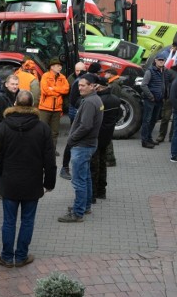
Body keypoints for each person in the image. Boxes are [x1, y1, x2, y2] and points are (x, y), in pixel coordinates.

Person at [0, 90, 56, 266]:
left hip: (9, 182)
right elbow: (49, 158)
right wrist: (49, 183)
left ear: (15, 104)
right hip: (32, 182)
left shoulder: (3, 126)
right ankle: (21, 256)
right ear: (33, 105)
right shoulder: (42, 128)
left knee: (9, 221)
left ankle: (6, 256)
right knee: (28, 220)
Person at [58, 74, 104, 222]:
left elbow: (86, 126)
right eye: (79, 85)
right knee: (86, 177)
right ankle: (85, 206)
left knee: (79, 180)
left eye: (83, 85)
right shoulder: (95, 99)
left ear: (92, 86)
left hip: (83, 146)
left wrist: (72, 138)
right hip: (88, 144)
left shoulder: (90, 102)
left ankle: (78, 213)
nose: (80, 88)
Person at [90, 77, 121, 201]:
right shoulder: (116, 99)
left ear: (99, 87)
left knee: (94, 166)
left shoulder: (98, 101)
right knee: (103, 163)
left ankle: (92, 193)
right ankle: (102, 191)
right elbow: (119, 115)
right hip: (107, 135)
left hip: (96, 136)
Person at [38, 59, 70, 152]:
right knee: (42, 131)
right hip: (44, 108)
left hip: (57, 109)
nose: (60, 67)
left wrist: (54, 89)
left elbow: (66, 90)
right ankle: (41, 150)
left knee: (54, 132)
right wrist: (58, 92)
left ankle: (52, 150)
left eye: (60, 66)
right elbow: (45, 90)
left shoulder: (63, 77)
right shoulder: (45, 76)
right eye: (57, 65)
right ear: (51, 67)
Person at [140, 52, 169, 148]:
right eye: (159, 60)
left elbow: (164, 84)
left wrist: (164, 96)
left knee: (153, 120)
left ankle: (149, 138)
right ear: (155, 60)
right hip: (150, 100)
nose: (161, 61)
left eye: (162, 60)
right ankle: (144, 141)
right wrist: (151, 96)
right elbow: (143, 85)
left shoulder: (164, 71)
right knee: (147, 120)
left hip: (159, 100)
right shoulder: (150, 71)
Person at [156, 54, 177, 143]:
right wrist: (166, 94)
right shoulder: (171, 71)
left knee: (175, 118)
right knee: (165, 117)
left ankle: (172, 136)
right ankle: (161, 135)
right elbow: (165, 83)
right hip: (169, 97)